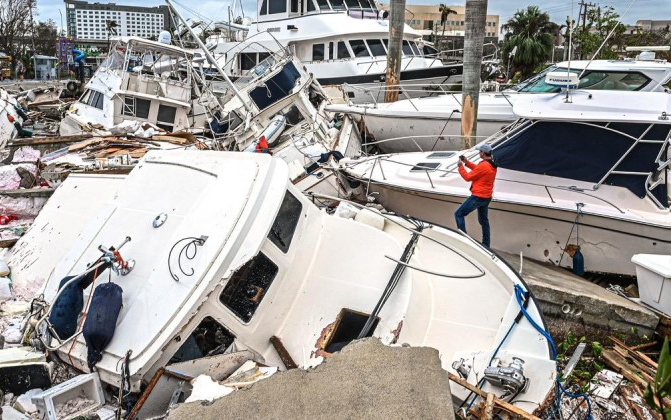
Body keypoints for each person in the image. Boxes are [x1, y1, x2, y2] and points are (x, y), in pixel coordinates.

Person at [454, 143, 498, 249]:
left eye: (479, 152)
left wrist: (460, 167)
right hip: (487, 197)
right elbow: (477, 169)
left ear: (482, 153)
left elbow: (468, 177)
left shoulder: (484, 165)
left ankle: (464, 239)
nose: (479, 153)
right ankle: (486, 244)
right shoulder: (491, 164)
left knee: (458, 214)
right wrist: (466, 162)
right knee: (484, 221)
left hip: (478, 197)